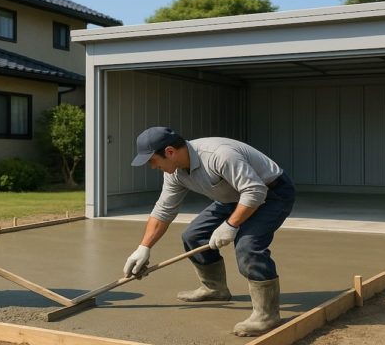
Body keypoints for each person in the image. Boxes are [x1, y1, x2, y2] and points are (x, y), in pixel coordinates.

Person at [123, 127, 295, 337]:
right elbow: (164, 210)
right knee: (193, 236)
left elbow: (255, 191)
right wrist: (144, 247)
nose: (152, 166)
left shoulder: (219, 155)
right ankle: (215, 289)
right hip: (233, 197)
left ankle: (267, 315)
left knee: (247, 246)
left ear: (170, 152)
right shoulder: (175, 172)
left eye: (152, 161)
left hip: (271, 193)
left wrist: (230, 225)